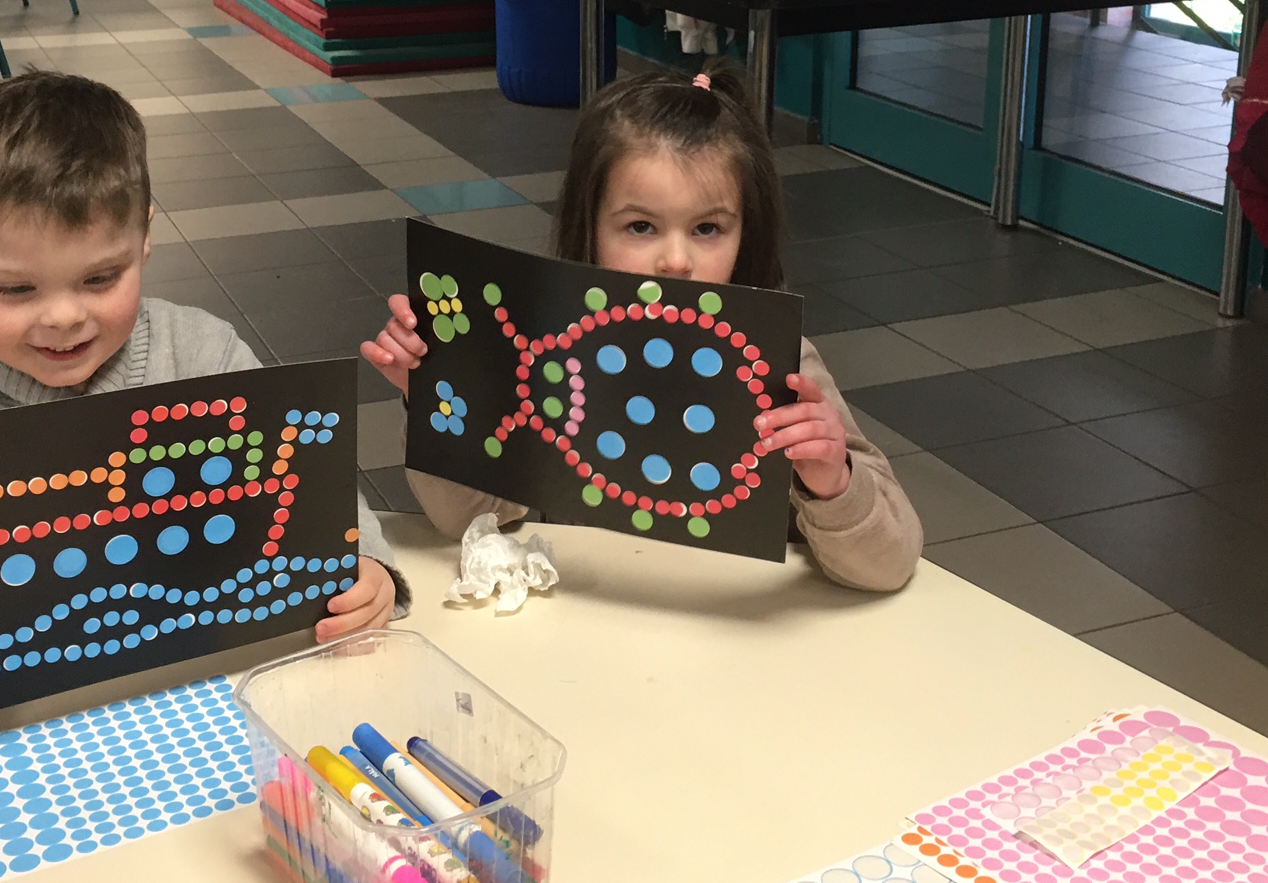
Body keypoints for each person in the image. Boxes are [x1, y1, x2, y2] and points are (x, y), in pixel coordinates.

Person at [0, 71, 408, 755]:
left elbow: (302, 477)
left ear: (145, 235)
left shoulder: (203, 353)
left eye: (100, 278)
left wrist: (362, 562)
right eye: (16, 289)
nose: (63, 317)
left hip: (203, 689)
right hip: (10, 727)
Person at [363, 65, 924, 591]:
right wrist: (433, 398)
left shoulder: (785, 370)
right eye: (640, 227)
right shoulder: (549, 355)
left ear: (746, 234)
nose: (675, 261)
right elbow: (468, 521)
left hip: (731, 625)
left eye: (708, 228)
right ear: (590, 227)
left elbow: (890, 564)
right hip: (594, 617)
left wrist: (832, 482)